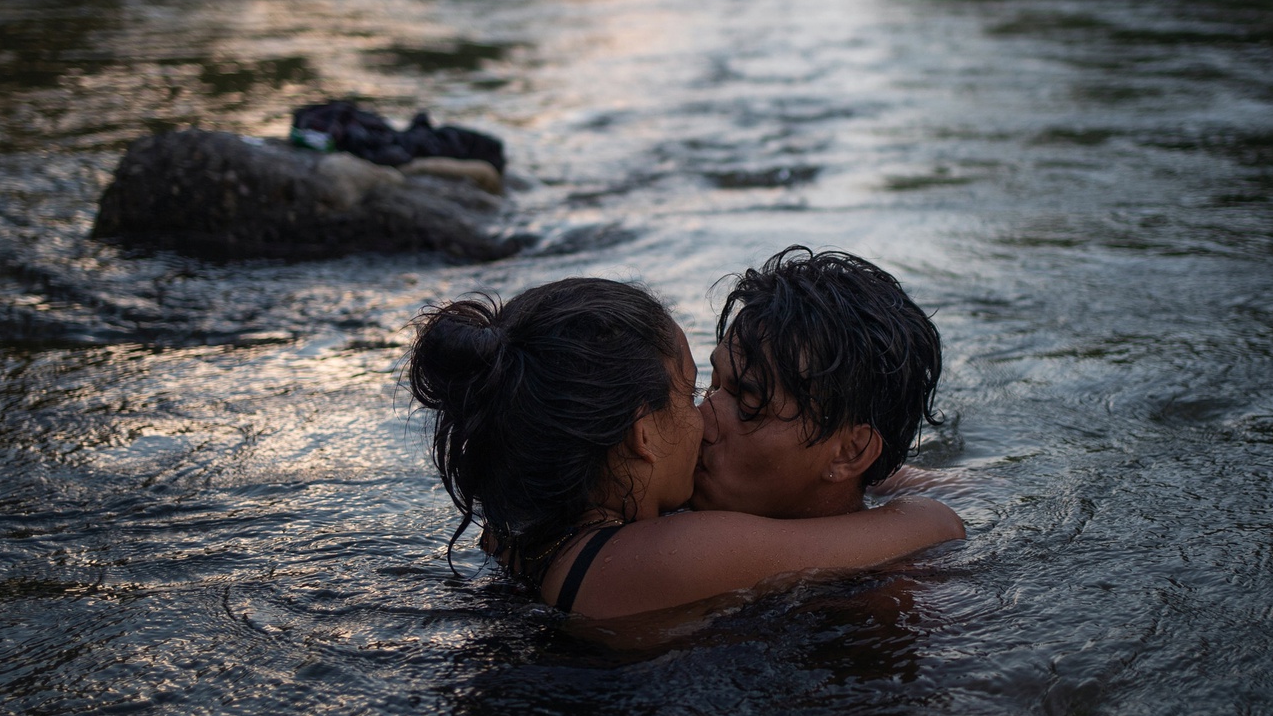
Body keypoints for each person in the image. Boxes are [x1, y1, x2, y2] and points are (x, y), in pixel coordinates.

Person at [408, 278, 963, 621]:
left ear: (851, 452)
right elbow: (937, 523)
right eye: (699, 388)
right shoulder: (680, 550)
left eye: (743, 400)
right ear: (641, 437)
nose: (703, 416)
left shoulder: (533, 517)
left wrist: (901, 476)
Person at [691, 247, 950, 520]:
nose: (699, 419)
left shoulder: (917, 556)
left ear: (850, 452)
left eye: (748, 405)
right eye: (714, 385)